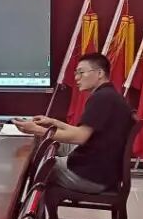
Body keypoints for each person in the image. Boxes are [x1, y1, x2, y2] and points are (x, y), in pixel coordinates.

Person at [14, 53, 134, 193]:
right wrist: (53, 122)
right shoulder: (108, 95)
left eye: (81, 73)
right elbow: (82, 131)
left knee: (33, 165)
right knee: (46, 150)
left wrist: (36, 130)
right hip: (100, 170)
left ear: (100, 73)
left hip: (90, 175)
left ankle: (20, 205)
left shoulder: (102, 98)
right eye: (76, 73)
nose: (76, 78)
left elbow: (79, 137)